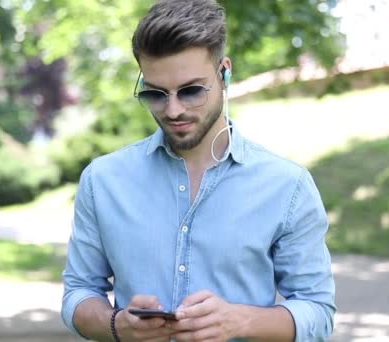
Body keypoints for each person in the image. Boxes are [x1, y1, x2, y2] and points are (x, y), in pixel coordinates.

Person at [62, 0, 336, 341]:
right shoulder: (102, 181)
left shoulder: (287, 186)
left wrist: (240, 321)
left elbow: (317, 312)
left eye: (191, 91)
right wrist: (117, 325)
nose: (173, 110)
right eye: (156, 94)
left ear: (225, 73)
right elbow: (78, 292)